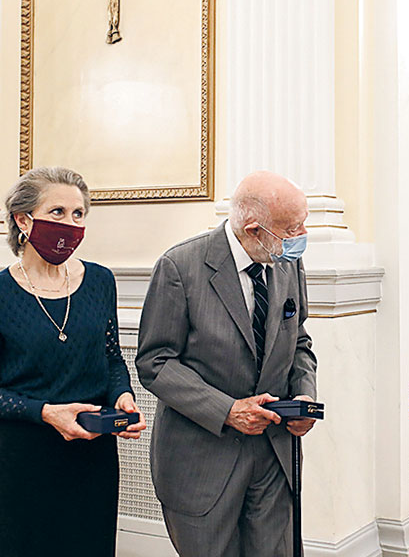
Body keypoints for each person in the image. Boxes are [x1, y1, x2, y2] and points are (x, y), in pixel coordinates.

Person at [0, 166, 146, 557]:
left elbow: (111, 357)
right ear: (23, 220)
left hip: (91, 457)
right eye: (57, 212)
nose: (70, 225)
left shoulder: (100, 282)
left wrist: (122, 395)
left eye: (78, 214)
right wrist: (46, 412)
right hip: (21, 460)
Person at [136, 170, 317, 557]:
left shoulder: (286, 261)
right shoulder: (179, 266)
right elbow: (155, 362)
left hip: (274, 454)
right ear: (254, 230)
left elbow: (299, 339)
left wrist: (304, 397)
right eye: (292, 228)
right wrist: (228, 410)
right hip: (203, 460)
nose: (302, 235)